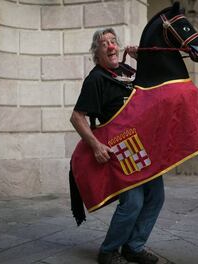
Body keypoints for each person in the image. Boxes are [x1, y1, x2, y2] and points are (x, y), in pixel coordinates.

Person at [70, 28, 164, 264]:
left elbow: (154, 88)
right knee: (133, 202)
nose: (111, 46)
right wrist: (96, 146)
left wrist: (140, 60)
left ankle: (134, 247)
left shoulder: (128, 71)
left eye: (113, 41)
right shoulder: (95, 79)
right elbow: (77, 117)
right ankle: (109, 251)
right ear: (97, 53)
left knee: (156, 196)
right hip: (125, 148)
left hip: (146, 145)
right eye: (104, 44)